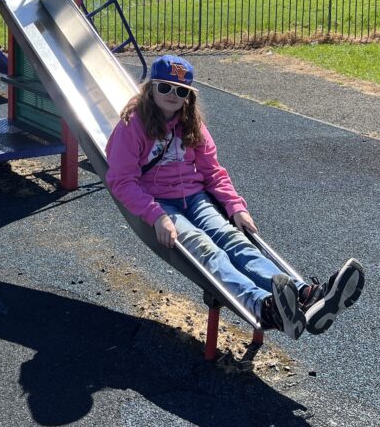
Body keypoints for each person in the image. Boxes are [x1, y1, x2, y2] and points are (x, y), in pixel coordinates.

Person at [105, 54, 365, 339]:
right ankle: (264, 306)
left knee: (233, 240)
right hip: (162, 203)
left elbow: (212, 171)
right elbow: (121, 180)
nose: (172, 95)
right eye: (165, 87)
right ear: (151, 87)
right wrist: (156, 216)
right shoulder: (134, 125)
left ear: (188, 96)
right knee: (206, 249)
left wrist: (235, 206)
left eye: (180, 91)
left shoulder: (192, 124)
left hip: (194, 197)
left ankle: (306, 294)